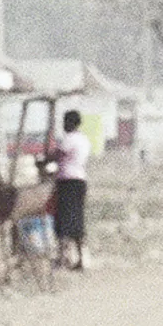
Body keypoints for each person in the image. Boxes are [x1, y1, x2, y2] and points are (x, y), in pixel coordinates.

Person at [49, 106, 92, 271]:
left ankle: (62, 259)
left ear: (70, 122)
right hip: (80, 180)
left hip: (67, 181)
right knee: (77, 220)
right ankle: (80, 258)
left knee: (64, 221)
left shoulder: (69, 139)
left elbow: (55, 155)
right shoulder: (84, 139)